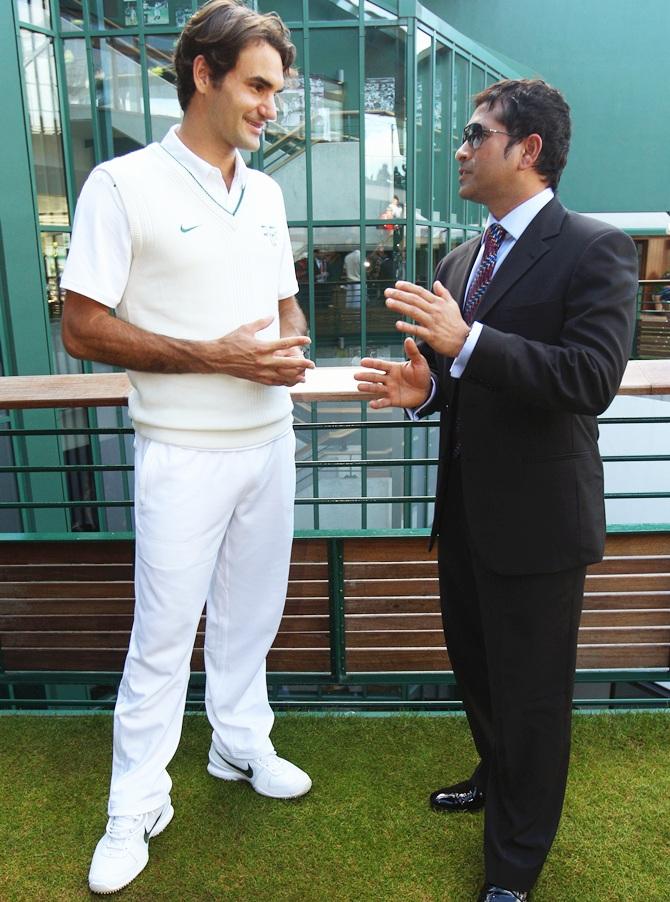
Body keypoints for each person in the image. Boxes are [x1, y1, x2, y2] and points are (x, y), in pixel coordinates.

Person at [355, 79, 637, 901]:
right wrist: (428, 391)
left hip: (541, 526)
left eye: (477, 135)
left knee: (533, 696)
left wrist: (469, 341)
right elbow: (461, 379)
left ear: (529, 149)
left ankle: (513, 864)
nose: (461, 149)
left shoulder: (595, 247)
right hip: (466, 515)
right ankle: (495, 772)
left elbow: (589, 379)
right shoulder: (458, 258)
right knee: (478, 670)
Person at [61, 0, 314, 894]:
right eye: (256, 87)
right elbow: (82, 329)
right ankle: (134, 803)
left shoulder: (269, 191)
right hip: (181, 450)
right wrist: (212, 358)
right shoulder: (121, 185)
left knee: (253, 616)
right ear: (202, 74)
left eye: (275, 92)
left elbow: (285, 305)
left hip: (269, 444)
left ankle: (239, 747)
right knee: (163, 634)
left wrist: (289, 344)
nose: (270, 108)